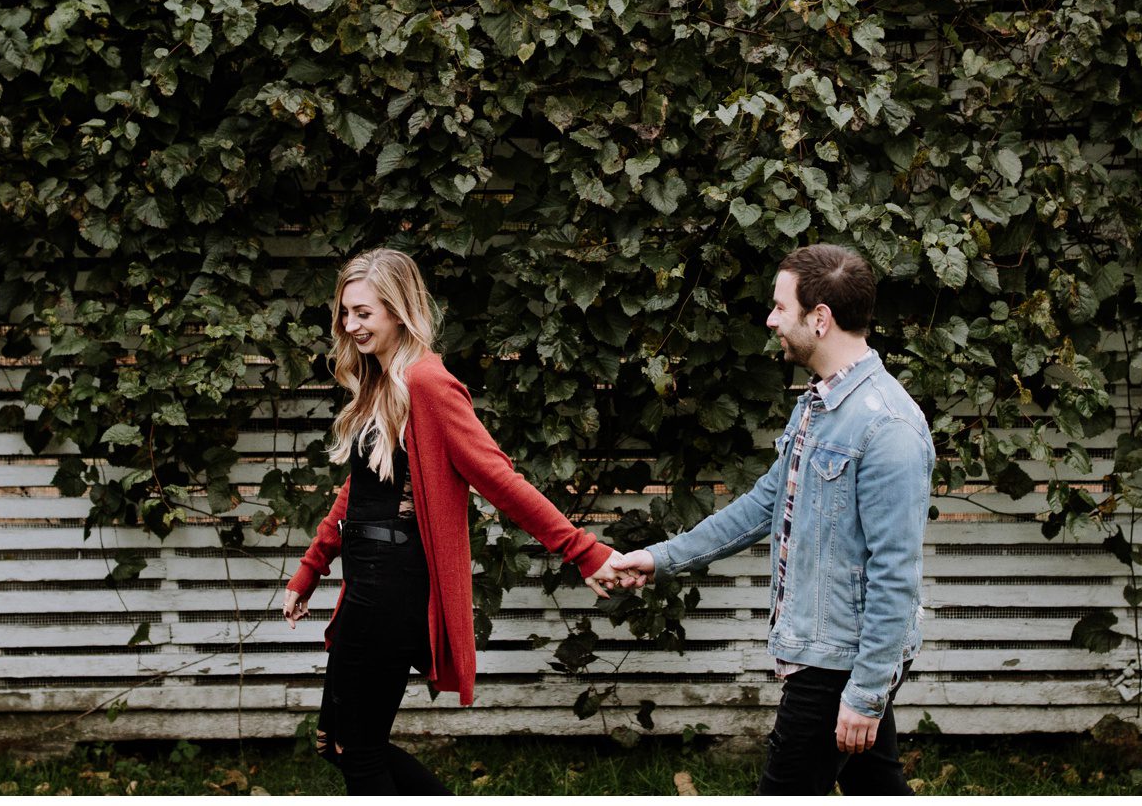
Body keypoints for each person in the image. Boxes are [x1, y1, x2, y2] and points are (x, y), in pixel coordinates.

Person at [281, 247, 627, 794]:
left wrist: (582, 550)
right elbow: (360, 489)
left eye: (364, 313)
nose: (350, 326)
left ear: (398, 310)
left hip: (393, 584)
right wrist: (310, 568)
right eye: (345, 313)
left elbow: (499, 478)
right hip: (367, 577)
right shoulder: (383, 382)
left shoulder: (428, 383)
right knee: (337, 742)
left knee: (356, 747)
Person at [608, 244, 934, 796]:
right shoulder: (819, 406)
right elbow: (764, 504)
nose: (770, 320)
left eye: (780, 307)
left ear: (820, 318)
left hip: (838, 661)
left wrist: (866, 692)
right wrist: (659, 557)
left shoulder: (888, 429)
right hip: (829, 650)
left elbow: (895, 575)